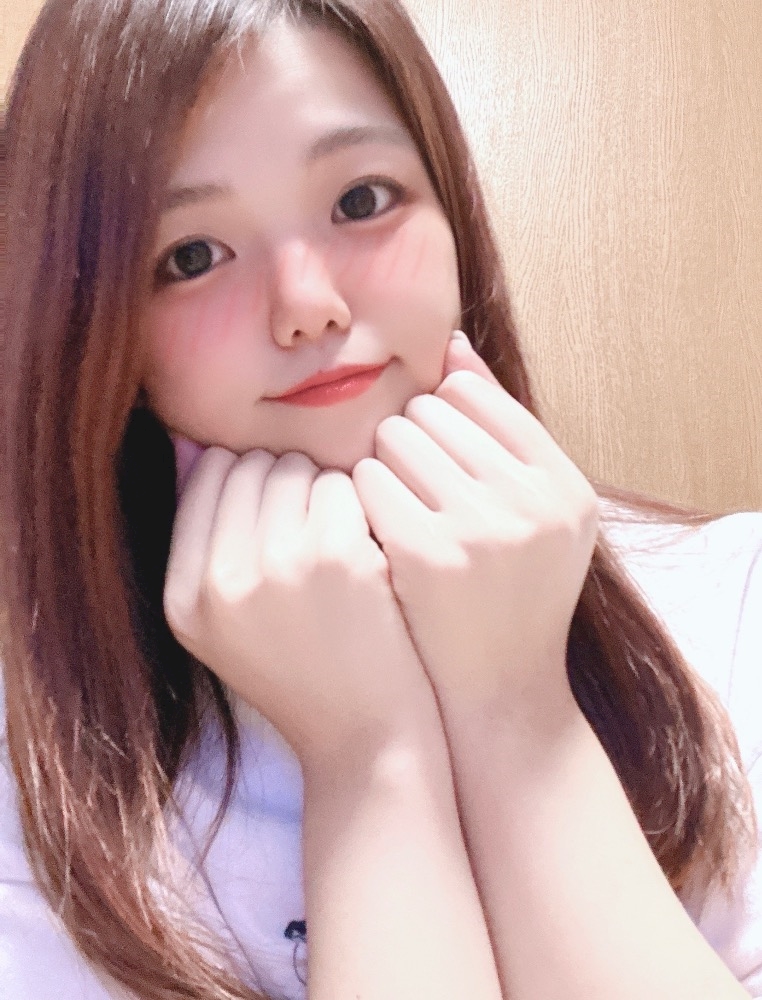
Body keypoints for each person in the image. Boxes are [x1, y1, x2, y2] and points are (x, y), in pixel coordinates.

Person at [1, 0, 760, 998]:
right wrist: (368, 758)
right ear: (103, 332)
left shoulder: (733, 601)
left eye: (362, 199)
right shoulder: (39, 771)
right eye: (190, 256)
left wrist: (516, 708)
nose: (308, 305)